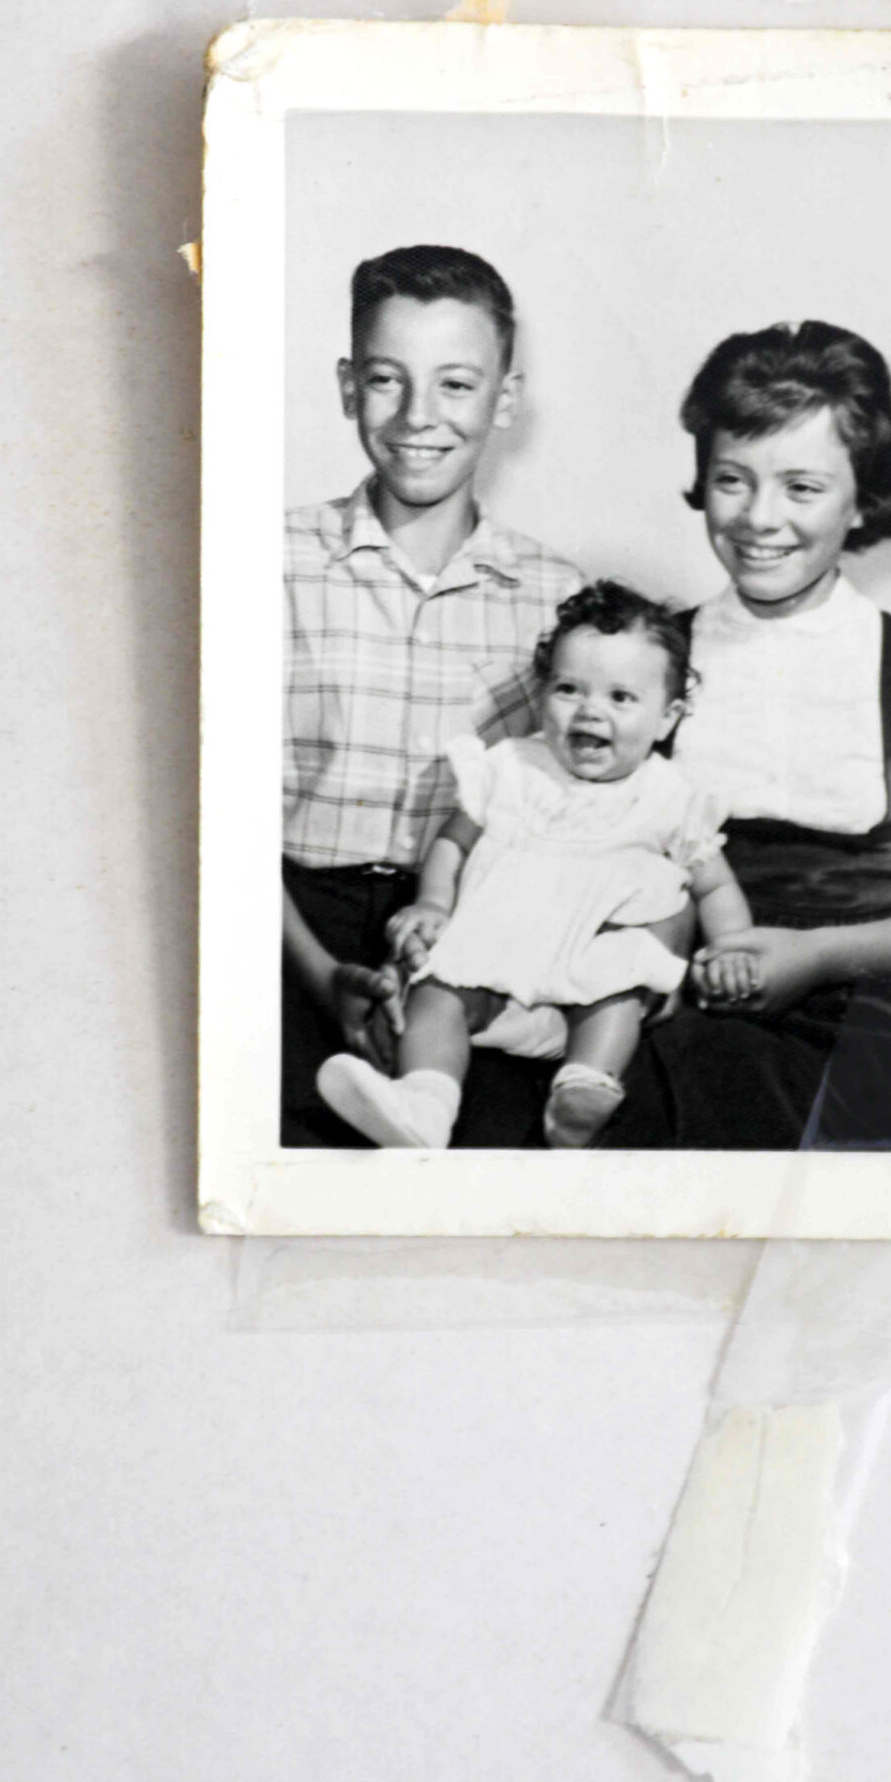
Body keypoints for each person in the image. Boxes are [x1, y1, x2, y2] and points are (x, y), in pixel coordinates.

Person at [615, 320, 891, 1151]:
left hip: (877, 1026)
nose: (759, 518)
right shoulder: (652, 658)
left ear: (863, 499)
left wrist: (811, 959)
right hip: (678, 998)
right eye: (733, 480)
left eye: (802, 488)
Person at [281, 245, 583, 1146]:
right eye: (386, 379)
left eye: (456, 384)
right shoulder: (267, 560)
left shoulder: (557, 595)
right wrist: (319, 971)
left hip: (472, 940)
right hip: (290, 928)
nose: (419, 417)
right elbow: (214, 820)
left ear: (506, 398)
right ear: (346, 386)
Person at [315, 582, 754, 1150]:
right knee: (438, 988)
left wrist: (736, 947)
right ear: (542, 693)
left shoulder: (669, 796)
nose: (590, 709)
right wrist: (432, 903)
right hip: (492, 963)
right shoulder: (511, 768)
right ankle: (424, 1105)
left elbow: (713, 883)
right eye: (569, 688)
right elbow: (453, 843)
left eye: (621, 698)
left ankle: (583, 1090)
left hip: (583, 988)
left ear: (667, 718)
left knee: (622, 982)